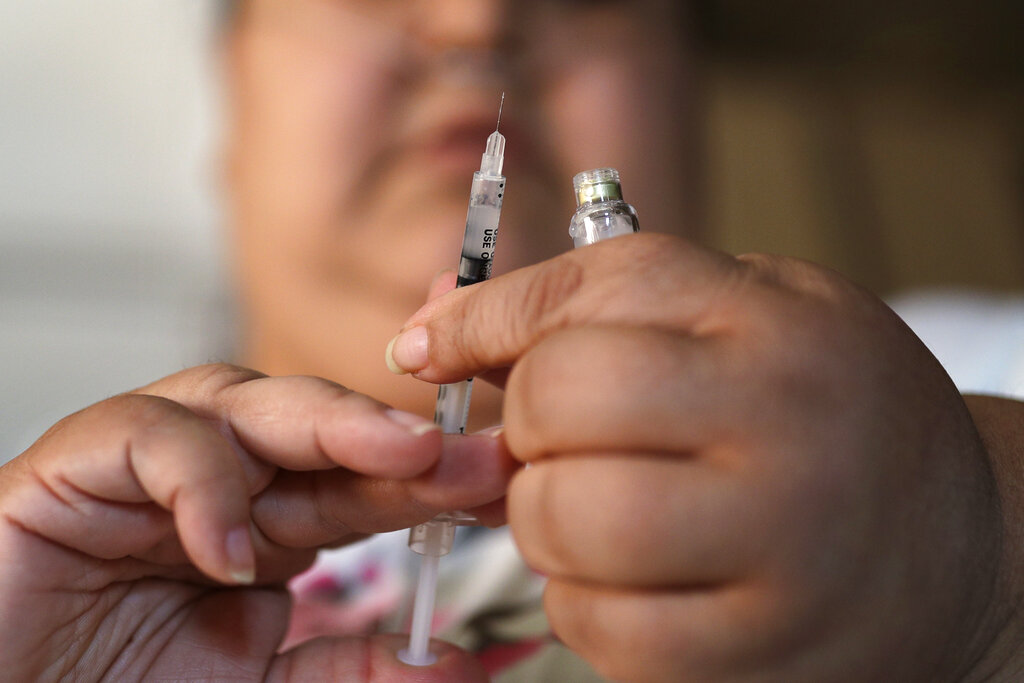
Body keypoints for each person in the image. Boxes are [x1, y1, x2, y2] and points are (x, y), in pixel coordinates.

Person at [2, 1, 1023, 681]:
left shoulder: (945, 384)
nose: (478, 18)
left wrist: (975, 542)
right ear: (231, 107)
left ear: (691, 94)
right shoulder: (84, 562)